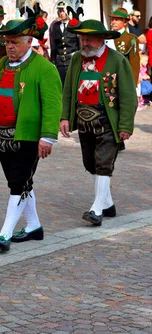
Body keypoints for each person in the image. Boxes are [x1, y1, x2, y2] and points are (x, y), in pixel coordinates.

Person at [0, 15, 61, 252]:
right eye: (7, 42)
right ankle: (34, 226)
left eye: (15, 42)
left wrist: (47, 137)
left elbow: (52, 105)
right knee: (21, 182)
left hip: (27, 136)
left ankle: (4, 234)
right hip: (2, 137)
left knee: (17, 183)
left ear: (29, 41)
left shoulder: (44, 68)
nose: (10, 46)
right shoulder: (0, 65)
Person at [60, 20, 137, 226]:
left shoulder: (117, 60)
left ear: (102, 39)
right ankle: (108, 204)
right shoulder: (77, 59)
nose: (84, 43)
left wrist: (125, 126)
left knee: (103, 163)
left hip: (107, 122)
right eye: (82, 39)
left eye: (89, 39)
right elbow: (68, 89)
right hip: (84, 122)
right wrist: (65, 117)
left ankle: (96, 209)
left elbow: (129, 96)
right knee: (89, 162)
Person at [49, 0, 80, 85]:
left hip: (72, 60)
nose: (62, 13)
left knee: (72, 84)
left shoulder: (74, 25)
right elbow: (53, 45)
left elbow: (79, 44)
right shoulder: (55, 26)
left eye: (63, 11)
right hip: (60, 61)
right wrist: (53, 61)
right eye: (60, 11)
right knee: (60, 85)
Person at [109, 7, 141, 85]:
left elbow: (134, 64)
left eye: (117, 20)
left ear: (125, 22)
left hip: (122, 79)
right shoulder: (106, 37)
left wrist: (132, 84)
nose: (113, 22)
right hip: (108, 78)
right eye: (112, 19)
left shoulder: (131, 39)